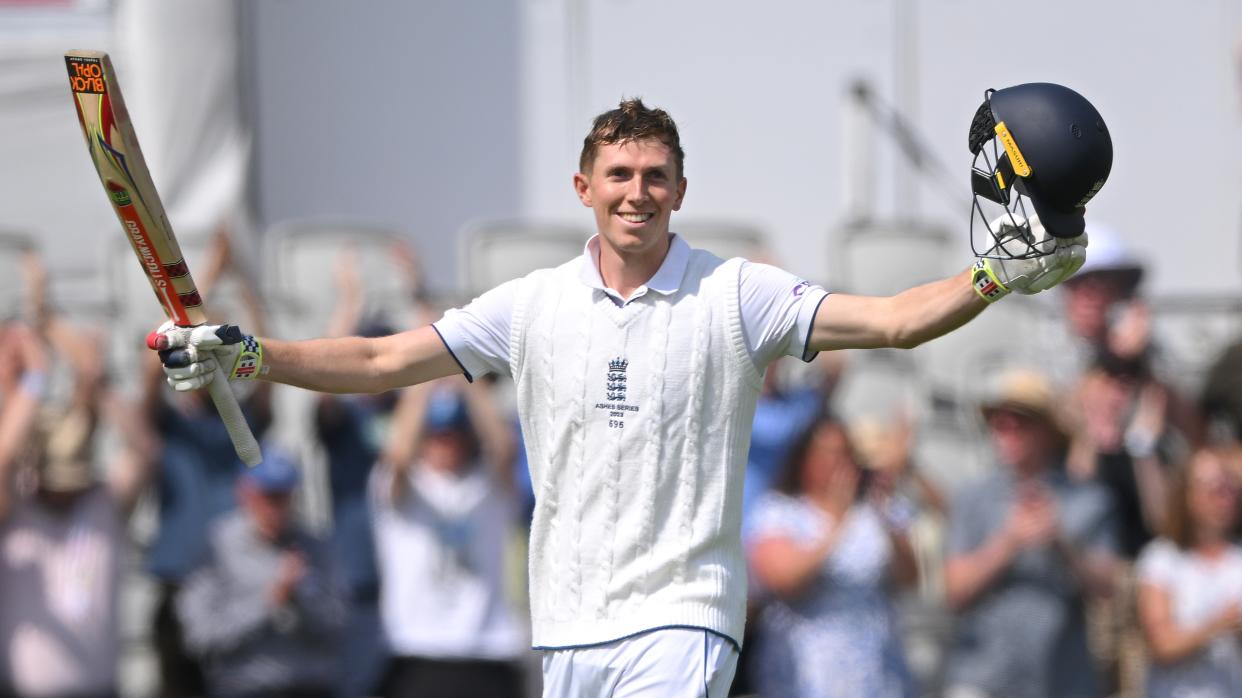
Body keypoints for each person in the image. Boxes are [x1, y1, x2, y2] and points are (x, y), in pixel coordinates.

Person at [152, 86, 1107, 694]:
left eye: (655, 176)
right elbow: (377, 363)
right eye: (619, 174)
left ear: (680, 189)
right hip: (568, 631)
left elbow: (895, 319)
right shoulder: (530, 305)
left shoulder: (739, 295)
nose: (636, 192)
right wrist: (249, 355)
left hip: (684, 619)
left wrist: (993, 278)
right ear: (584, 186)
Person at [140, 228, 274, 698]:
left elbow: (267, 359)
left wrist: (240, 281)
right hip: (180, 585)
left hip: (235, 590)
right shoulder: (169, 424)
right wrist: (209, 278)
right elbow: (152, 355)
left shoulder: (242, 420)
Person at [0, 311, 157, 697]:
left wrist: (95, 381)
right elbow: (3, 458)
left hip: (100, 689)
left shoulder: (103, 503)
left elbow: (146, 451)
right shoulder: (15, 507)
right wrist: (34, 378)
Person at [942, 369, 1120, 698]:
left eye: (1020, 420)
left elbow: (1108, 587)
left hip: (1063, 680)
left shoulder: (1088, 499)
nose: (1006, 429)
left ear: (1049, 431)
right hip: (983, 678)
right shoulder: (972, 496)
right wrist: (1009, 541)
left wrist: (1061, 543)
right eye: (998, 419)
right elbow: (954, 591)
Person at [371, 376, 527, 698]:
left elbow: (504, 447)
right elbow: (398, 453)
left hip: (489, 651)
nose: (447, 443)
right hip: (419, 651)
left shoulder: (489, 484)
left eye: (455, 434)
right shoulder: (404, 485)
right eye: (437, 435)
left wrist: (463, 370)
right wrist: (426, 373)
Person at [745, 414, 919, 697]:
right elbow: (784, 580)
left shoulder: (874, 512)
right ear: (804, 459)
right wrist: (836, 524)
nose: (835, 463)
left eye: (843, 454)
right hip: (805, 669)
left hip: (873, 665)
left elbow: (911, 579)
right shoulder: (780, 512)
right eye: (825, 454)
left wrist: (884, 503)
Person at [177, 449, 347, 698]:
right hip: (245, 686)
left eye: (284, 497)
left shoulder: (314, 548)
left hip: (308, 685)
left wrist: (300, 599)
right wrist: (268, 602)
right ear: (244, 493)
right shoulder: (216, 548)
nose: (275, 508)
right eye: (267, 497)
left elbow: (339, 624)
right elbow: (200, 637)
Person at [1136, 447, 1242, 698]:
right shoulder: (1162, 559)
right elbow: (1160, 645)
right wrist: (1218, 624)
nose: (1224, 497)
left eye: (1230, 487)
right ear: (1187, 495)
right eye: (1213, 488)